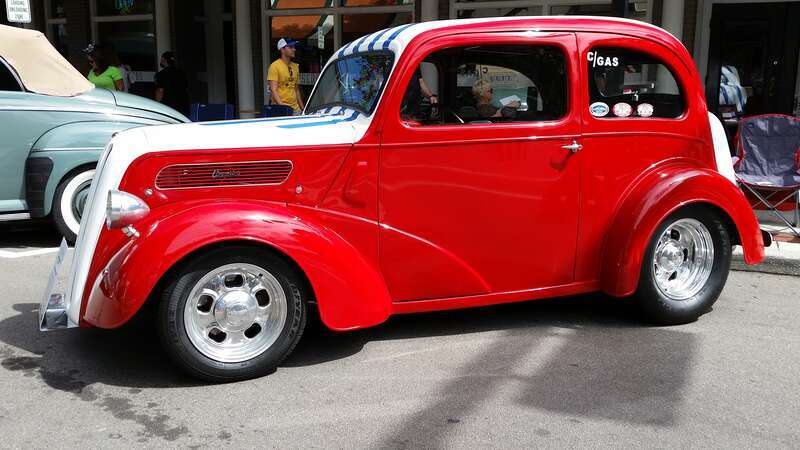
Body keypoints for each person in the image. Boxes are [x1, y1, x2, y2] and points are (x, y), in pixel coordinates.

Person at [267, 38, 303, 115]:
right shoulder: (274, 66)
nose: (294, 49)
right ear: (282, 50)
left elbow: (296, 90)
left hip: (295, 109)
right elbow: (273, 90)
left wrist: (302, 108)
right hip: (281, 109)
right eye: (290, 47)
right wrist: (282, 107)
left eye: (294, 47)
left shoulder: (295, 66)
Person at [154, 51, 190, 116]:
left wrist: (158, 107)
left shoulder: (161, 74)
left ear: (163, 60)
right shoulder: (182, 73)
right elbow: (186, 88)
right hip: (183, 107)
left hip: (169, 108)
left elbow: (160, 91)